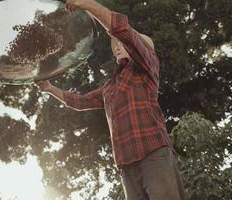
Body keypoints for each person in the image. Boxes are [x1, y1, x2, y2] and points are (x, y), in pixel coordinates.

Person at [36, 0, 186, 199]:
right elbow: (79, 102)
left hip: (153, 152)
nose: (116, 47)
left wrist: (87, 4)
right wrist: (49, 88)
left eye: (121, 44)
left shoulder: (147, 66)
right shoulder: (109, 86)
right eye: (114, 46)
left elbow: (123, 30)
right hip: (125, 163)